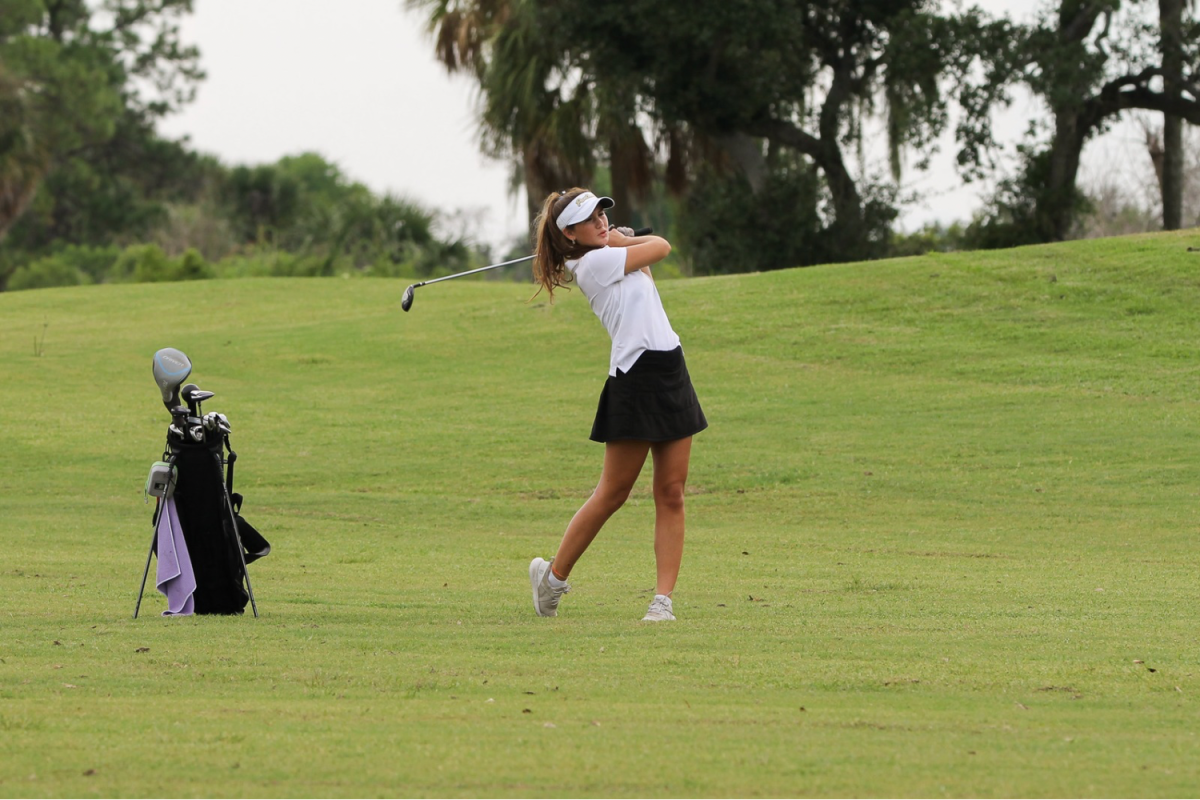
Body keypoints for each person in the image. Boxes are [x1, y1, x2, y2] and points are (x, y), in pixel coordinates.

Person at [527, 188, 707, 622]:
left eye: (603, 214)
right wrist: (624, 241)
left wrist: (619, 241)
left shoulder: (607, 252)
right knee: (613, 493)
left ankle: (662, 601)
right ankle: (552, 580)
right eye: (591, 219)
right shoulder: (592, 263)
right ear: (569, 233)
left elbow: (647, 281)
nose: (602, 222)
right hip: (635, 376)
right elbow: (661, 246)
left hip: (671, 368)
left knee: (672, 492)